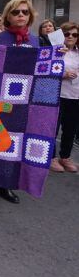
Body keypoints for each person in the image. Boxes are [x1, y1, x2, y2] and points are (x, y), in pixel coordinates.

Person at [0, 0, 40, 204]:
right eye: (16, 12)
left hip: (22, 102)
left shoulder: (36, 41)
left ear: (30, 16)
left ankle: (4, 184)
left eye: (25, 12)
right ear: (8, 16)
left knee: (12, 142)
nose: (21, 15)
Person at [50, 22, 79, 173]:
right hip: (58, 94)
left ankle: (65, 157)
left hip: (75, 96)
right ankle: (52, 157)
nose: (71, 37)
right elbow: (47, 69)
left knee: (70, 129)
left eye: (75, 35)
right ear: (62, 35)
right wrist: (63, 74)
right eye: (67, 34)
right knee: (53, 128)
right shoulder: (57, 51)